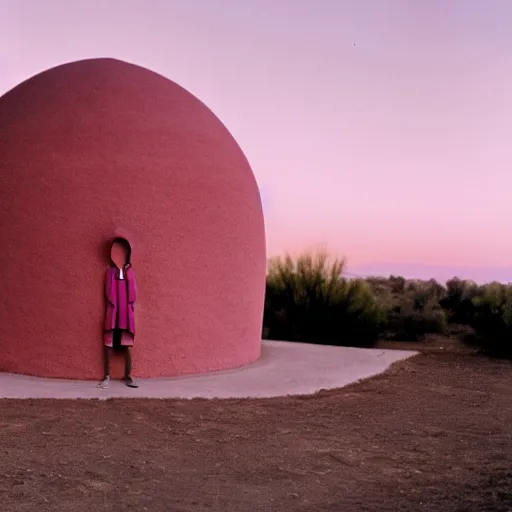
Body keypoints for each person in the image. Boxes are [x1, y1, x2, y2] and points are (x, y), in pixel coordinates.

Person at [98, 237, 139, 388]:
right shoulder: (110, 272)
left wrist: (127, 272)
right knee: (108, 345)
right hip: (113, 314)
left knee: (127, 346)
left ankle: (128, 375)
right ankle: (106, 376)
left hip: (126, 315)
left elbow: (133, 293)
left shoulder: (130, 272)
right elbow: (108, 292)